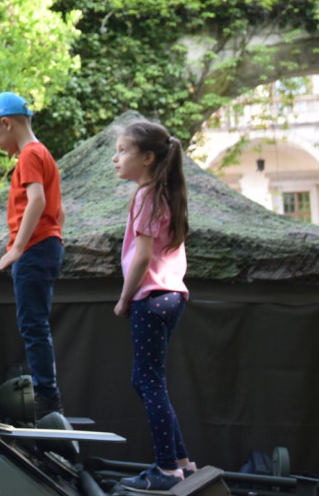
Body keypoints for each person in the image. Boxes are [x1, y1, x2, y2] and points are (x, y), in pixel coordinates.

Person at [0, 92, 65, 419]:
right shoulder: (44, 154)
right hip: (48, 245)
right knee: (35, 323)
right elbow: (58, 212)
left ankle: (47, 397)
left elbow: (36, 201)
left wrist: (17, 249)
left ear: (6, 123)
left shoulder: (29, 156)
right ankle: (46, 391)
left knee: (32, 324)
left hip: (35, 249)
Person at [112, 120, 196, 492]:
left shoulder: (147, 195)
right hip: (173, 297)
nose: (116, 158)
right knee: (148, 380)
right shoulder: (166, 193)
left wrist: (124, 297)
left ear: (147, 158)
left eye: (123, 151)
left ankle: (166, 468)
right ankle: (180, 460)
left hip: (152, 297)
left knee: (148, 381)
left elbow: (143, 257)